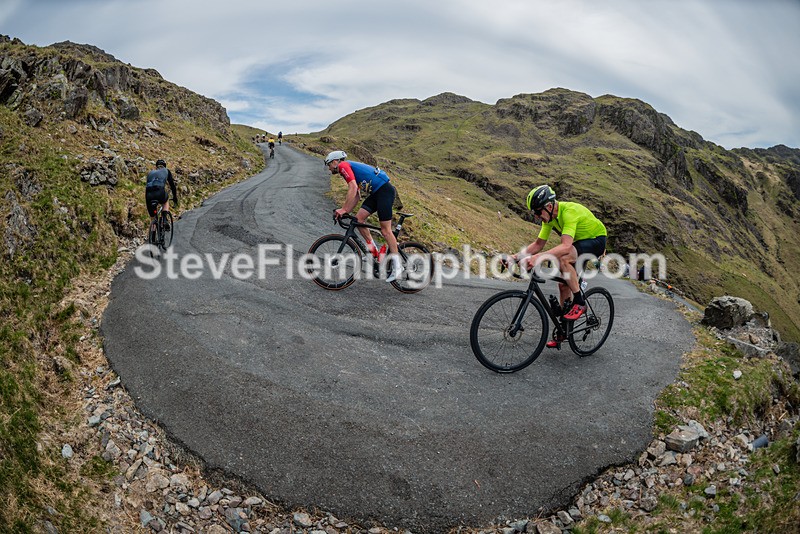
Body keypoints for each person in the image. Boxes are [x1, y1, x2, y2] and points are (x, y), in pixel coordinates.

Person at [509, 184, 607, 347]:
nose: (537, 216)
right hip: (580, 242)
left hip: (596, 239)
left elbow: (566, 246)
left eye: (538, 212)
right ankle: (563, 331)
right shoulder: (549, 219)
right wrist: (515, 257)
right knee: (563, 285)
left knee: (564, 259)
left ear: (548, 206)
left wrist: (538, 258)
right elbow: (538, 244)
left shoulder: (569, 212)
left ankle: (580, 302)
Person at [324, 150, 403, 283]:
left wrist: (343, 209)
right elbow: (357, 195)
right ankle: (374, 252)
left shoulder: (343, 166)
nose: (329, 168)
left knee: (385, 230)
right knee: (359, 219)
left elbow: (353, 188)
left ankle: (397, 266)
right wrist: (346, 210)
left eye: (329, 165)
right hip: (376, 193)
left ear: (334, 162)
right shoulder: (347, 169)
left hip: (384, 191)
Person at [145, 159, 178, 230]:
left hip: (148, 193)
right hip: (159, 191)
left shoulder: (150, 172)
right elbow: (172, 186)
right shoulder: (166, 171)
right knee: (166, 201)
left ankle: (153, 235)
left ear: (156, 166)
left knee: (153, 217)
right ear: (164, 166)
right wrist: (175, 197)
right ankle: (165, 220)